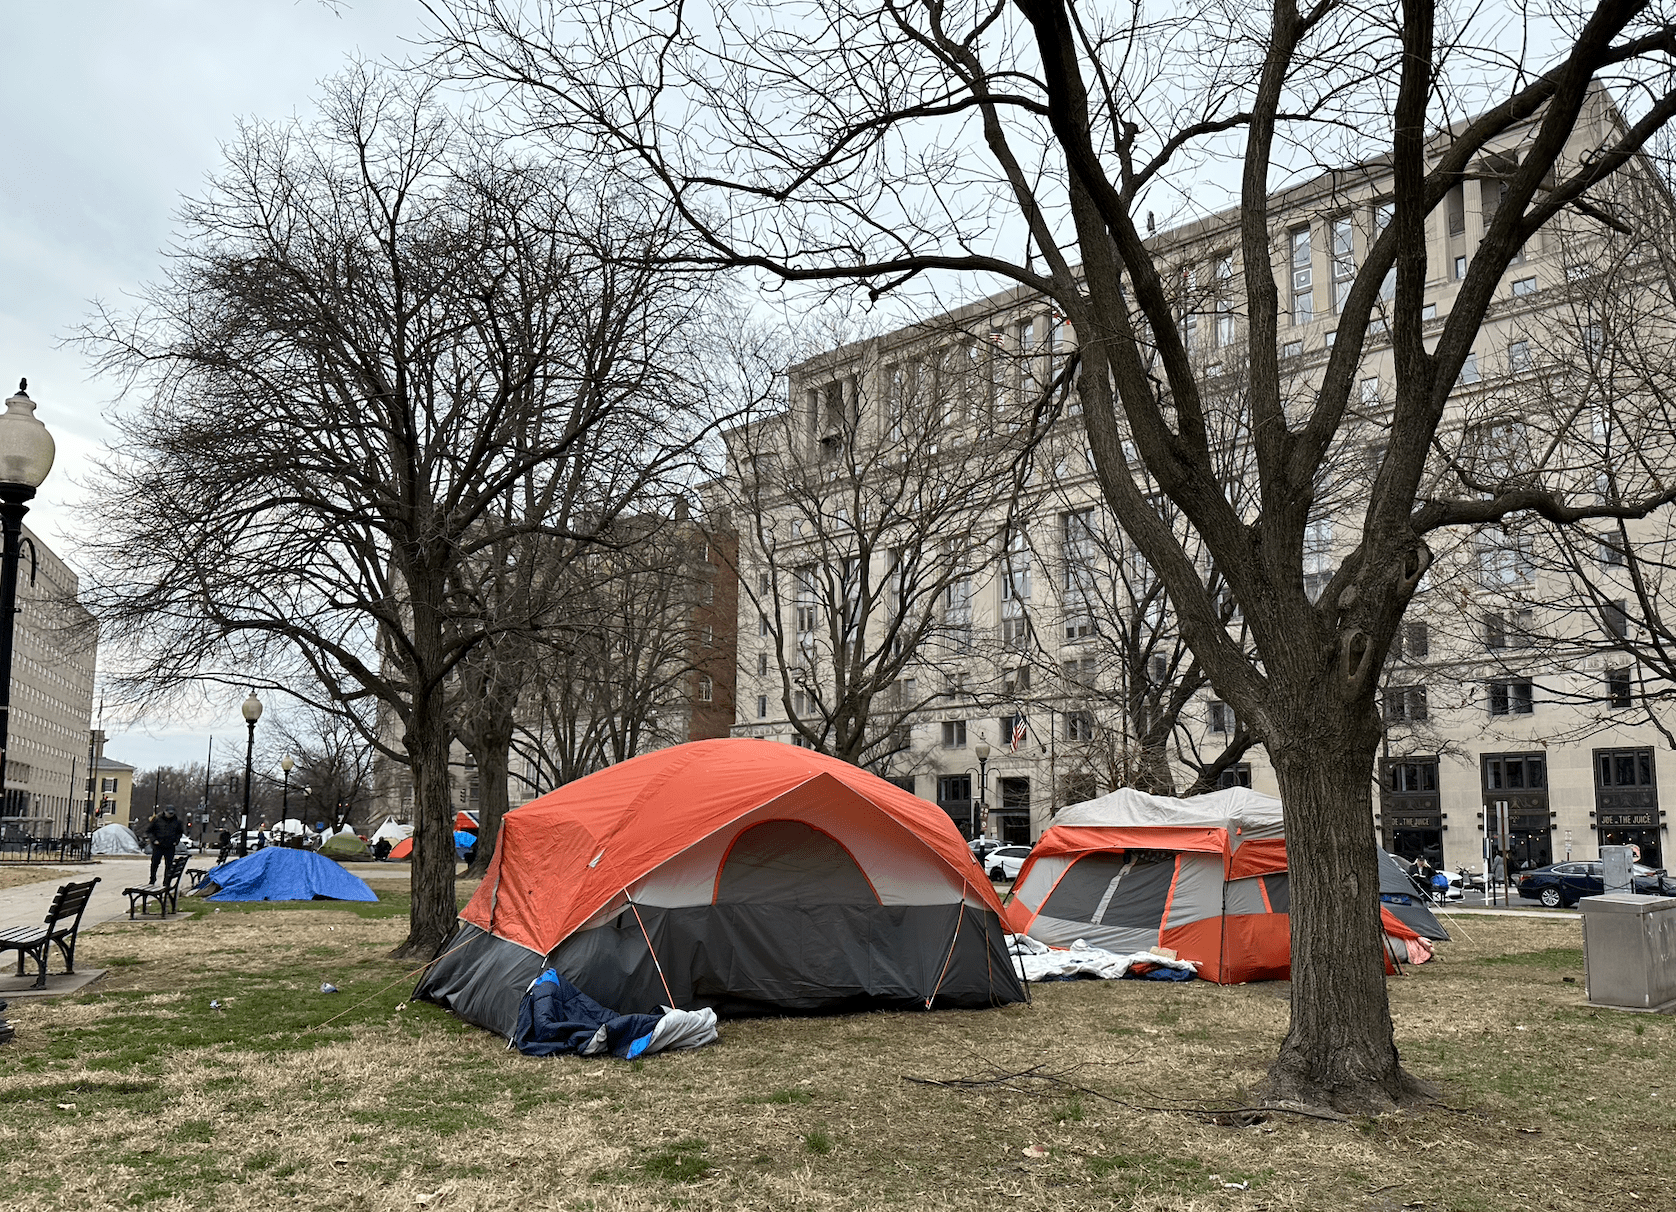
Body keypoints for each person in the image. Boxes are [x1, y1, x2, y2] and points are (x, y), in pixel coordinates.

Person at [142, 806, 185, 883]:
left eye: (172, 813)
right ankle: (152, 879)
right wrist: (154, 840)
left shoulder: (177, 821)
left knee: (169, 864)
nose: (170, 815)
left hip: (170, 846)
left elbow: (180, 832)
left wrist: (176, 841)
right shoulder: (157, 819)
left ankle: (166, 881)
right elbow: (149, 831)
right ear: (165, 812)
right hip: (158, 845)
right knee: (155, 863)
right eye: (169, 813)